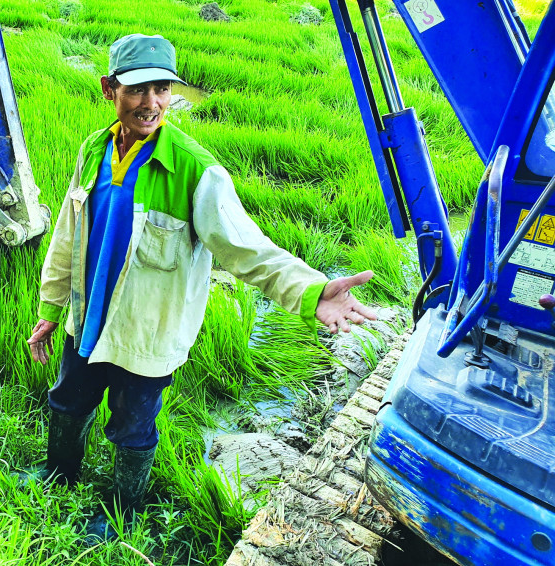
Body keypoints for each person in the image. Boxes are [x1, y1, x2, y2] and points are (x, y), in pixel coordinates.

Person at [25, 33, 377, 540]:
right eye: (137, 89)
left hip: (146, 337)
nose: (151, 103)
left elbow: (246, 248)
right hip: (87, 321)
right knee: (67, 401)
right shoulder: (94, 148)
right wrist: (52, 305)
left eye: (162, 88)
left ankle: (123, 515)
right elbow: (66, 232)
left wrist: (310, 290)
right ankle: (58, 474)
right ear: (109, 89)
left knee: (132, 427)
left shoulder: (196, 170)